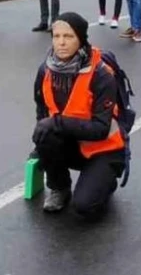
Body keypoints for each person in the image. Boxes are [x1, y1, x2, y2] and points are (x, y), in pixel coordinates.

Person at [32, 13, 125, 219]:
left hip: (103, 149)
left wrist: (55, 123)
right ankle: (60, 188)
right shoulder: (45, 70)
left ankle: (106, 180)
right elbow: (42, 111)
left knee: (85, 207)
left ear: (81, 39)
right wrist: (43, 146)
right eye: (56, 36)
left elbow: (101, 129)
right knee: (44, 133)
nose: (61, 43)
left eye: (69, 36)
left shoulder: (101, 75)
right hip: (72, 143)